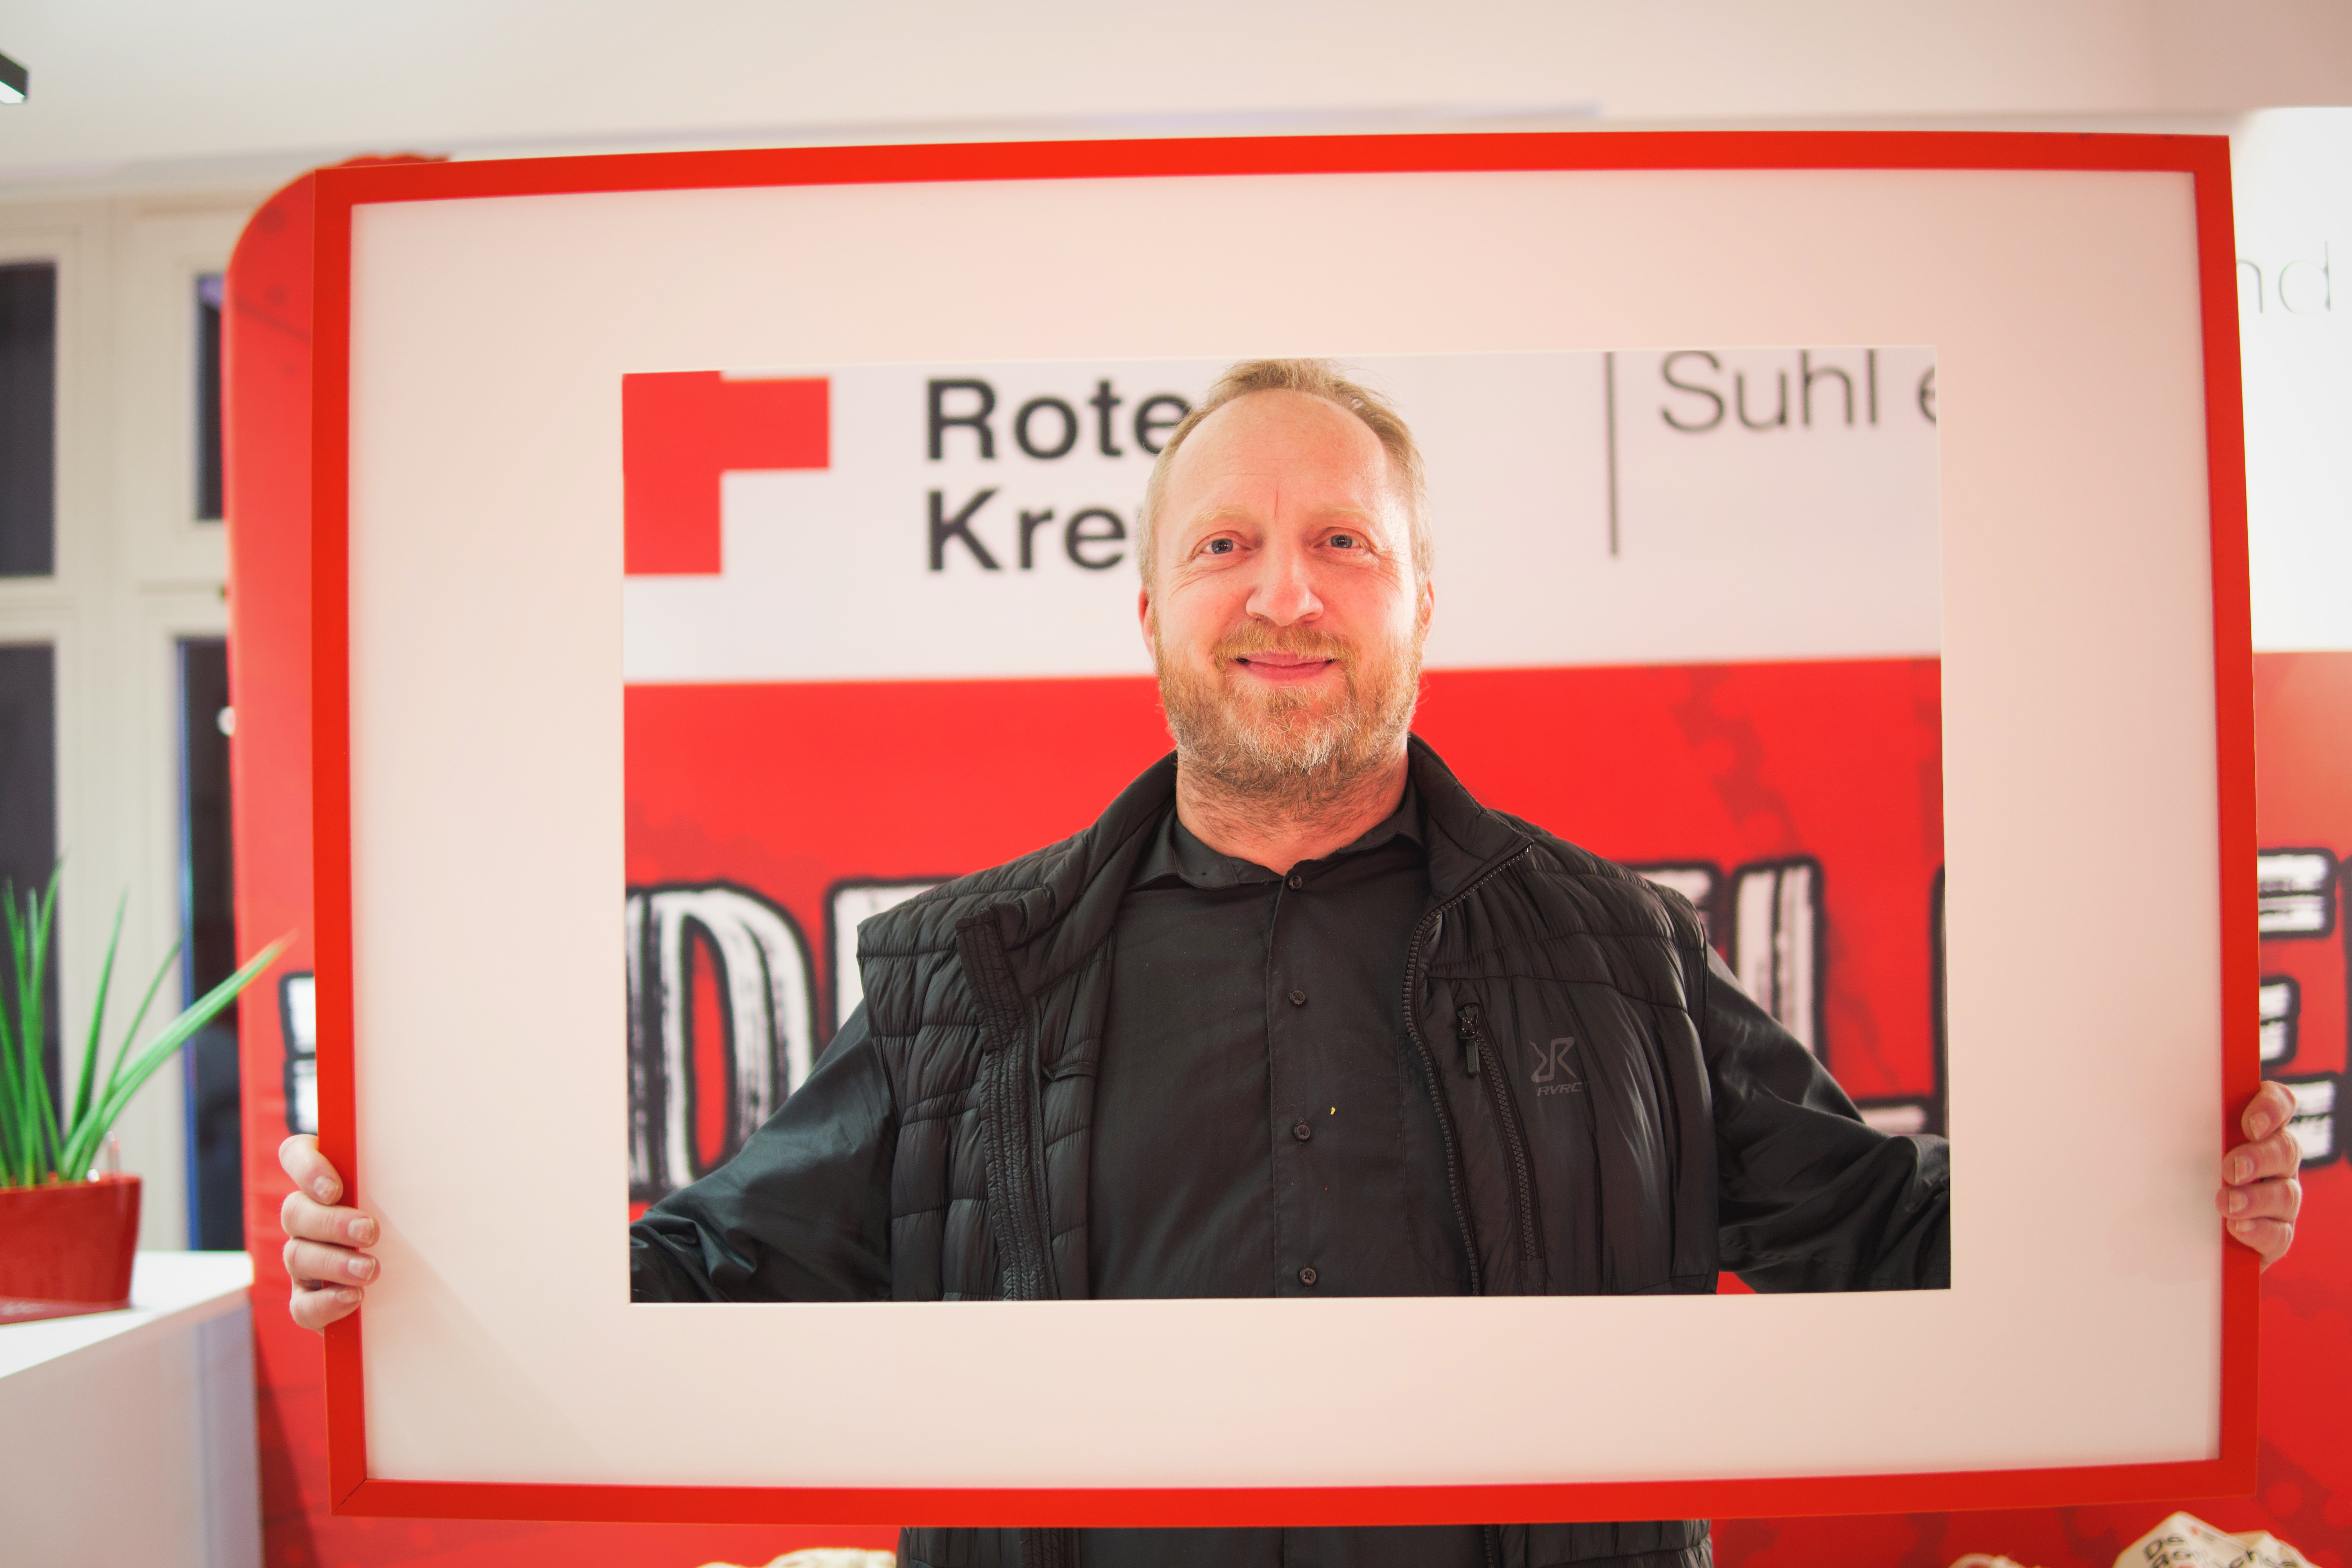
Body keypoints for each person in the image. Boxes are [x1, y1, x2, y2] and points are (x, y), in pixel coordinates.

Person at [279, 359, 2305, 1568]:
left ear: (1425, 602)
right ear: (1150, 609)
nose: (1286, 594)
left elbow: (1884, 1227)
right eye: (1228, 545)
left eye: (1343, 543)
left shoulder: (1625, 959)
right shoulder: (965, 981)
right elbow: (702, 1279)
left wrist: (2147, 1205)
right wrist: (424, 1264)